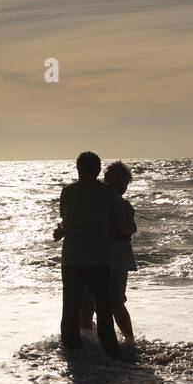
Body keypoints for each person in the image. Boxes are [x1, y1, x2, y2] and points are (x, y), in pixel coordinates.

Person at [53, 151, 131, 359]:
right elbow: (118, 223)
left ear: (78, 169)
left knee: (70, 308)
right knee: (104, 309)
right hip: (99, 258)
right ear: (98, 170)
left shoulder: (67, 192)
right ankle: (111, 353)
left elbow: (67, 221)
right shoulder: (107, 193)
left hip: (72, 259)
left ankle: (72, 352)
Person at [79, 161, 137, 346]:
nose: (121, 188)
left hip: (117, 257)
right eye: (117, 184)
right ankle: (89, 340)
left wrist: (113, 229)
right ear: (106, 182)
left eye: (124, 185)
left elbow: (130, 228)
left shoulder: (124, 206)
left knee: (115, 302)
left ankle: (129, 341)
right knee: (89, 301)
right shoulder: (94, 203)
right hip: (96, 256)